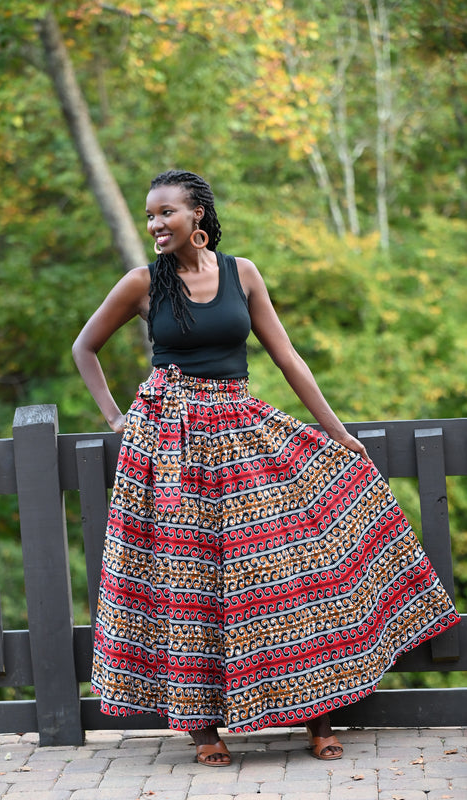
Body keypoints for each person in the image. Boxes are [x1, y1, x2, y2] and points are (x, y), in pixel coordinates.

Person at [72, 169, 460, 767]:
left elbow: (287, 356)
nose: (155, 224)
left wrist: (337, 432)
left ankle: (316, 717)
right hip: (173, 447)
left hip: (240, 428)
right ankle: (204, 733)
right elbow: (85, 347)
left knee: (283, 573)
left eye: (165, 213)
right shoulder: (142, 283)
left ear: (197, 214)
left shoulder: (241, 273)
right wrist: (116, 418)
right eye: (149, 215)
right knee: (190, 582)